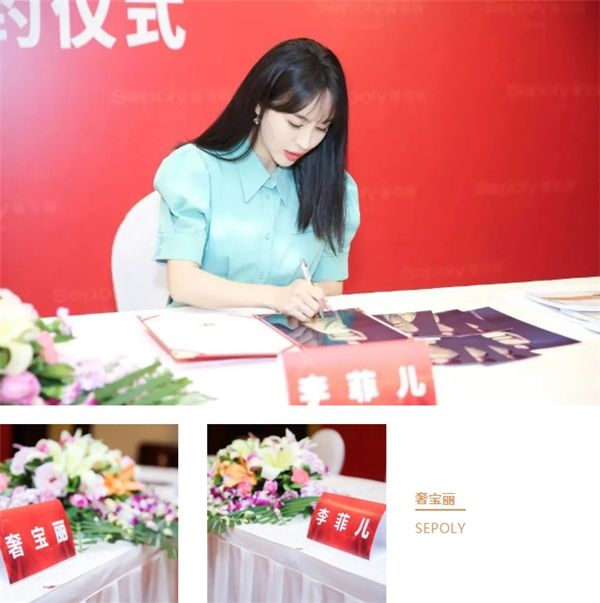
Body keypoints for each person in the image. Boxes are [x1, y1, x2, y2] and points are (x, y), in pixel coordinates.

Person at [154, 38, 360, 321]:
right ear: (260, 105)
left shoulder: (334, 187)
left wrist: (305, 297)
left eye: (321, 128)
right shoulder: (196, 169)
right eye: (295, 123)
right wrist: (275, 297)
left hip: (287, 338)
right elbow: (183, 283)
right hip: (200, 333)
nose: (305, 141)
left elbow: (330, 286)